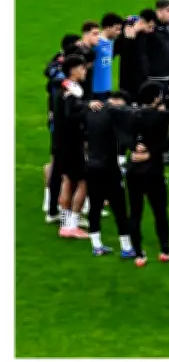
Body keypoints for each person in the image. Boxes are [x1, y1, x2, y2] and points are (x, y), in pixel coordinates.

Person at [125, 80, 169, 267]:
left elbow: (123, 133)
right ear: (155, 98)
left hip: (133, 170)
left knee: (135, 212)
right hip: (153, 171)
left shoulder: (132, 114)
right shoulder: (160, 117)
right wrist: (152, 152)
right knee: (160, 212)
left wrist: (133, 147)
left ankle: (138, 254)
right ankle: (165, 250)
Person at [82, 90, 136, 258]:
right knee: (119, 207)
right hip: (109, 168)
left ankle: (96, 245)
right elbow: (126, 140)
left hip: (92, 165)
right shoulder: (114, 117)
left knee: (95, 206)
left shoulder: (92, 113)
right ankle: (126, 247)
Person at [52, 55, 100, 239]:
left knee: (67, 180)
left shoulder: (63, 88)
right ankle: (72, 225)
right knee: (84, 181)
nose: (85, 70)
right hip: (72, 144)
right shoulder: (71, 91)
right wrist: (88, 107)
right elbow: (71, 115)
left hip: (61, 143)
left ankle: (65, 225)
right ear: (73, 70)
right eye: (82, 68)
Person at [43, 33, 80, 222]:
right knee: (67, 173)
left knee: (58, 168)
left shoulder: (59, 79)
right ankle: (68, 217)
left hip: (58, 130)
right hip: (64, 133)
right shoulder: (67, 87)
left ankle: (52, 208)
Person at [115, 9, 156, 99]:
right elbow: (121, 51)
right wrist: (130, 36)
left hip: (142, 79)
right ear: (142, 22)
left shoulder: (144, 34)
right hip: (129, 81)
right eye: (150, 26)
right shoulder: (126, 32)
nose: (151, 30)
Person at [137, 0, 169, 92]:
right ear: (158, 12)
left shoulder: (168, 26)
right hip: (153, 78)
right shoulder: (150, 29)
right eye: (168, 10)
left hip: (167, 77)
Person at [92, 13, 123, 101]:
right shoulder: (96, 43)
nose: (119, 32)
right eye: (116, 29)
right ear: (108, 28)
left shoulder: (111, 41)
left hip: (107, 88)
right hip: (95, 90)